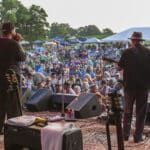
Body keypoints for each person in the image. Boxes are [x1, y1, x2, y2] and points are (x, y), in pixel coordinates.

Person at [118, 32, 150, 143]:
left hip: (129, 87)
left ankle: (125, 135)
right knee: (141, 113)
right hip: (143, 87)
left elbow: (120, 67)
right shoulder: (148, 52)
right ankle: (137, 137)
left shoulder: (127, 52)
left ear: (133, 41)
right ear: (141, 41)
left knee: (127, 112)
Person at [0, 22, 26, 134]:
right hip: (11, 77)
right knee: (14, 105)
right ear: (12, 31)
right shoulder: (14, 43)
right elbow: (22, 57)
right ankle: (14, 131)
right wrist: (18, 42)